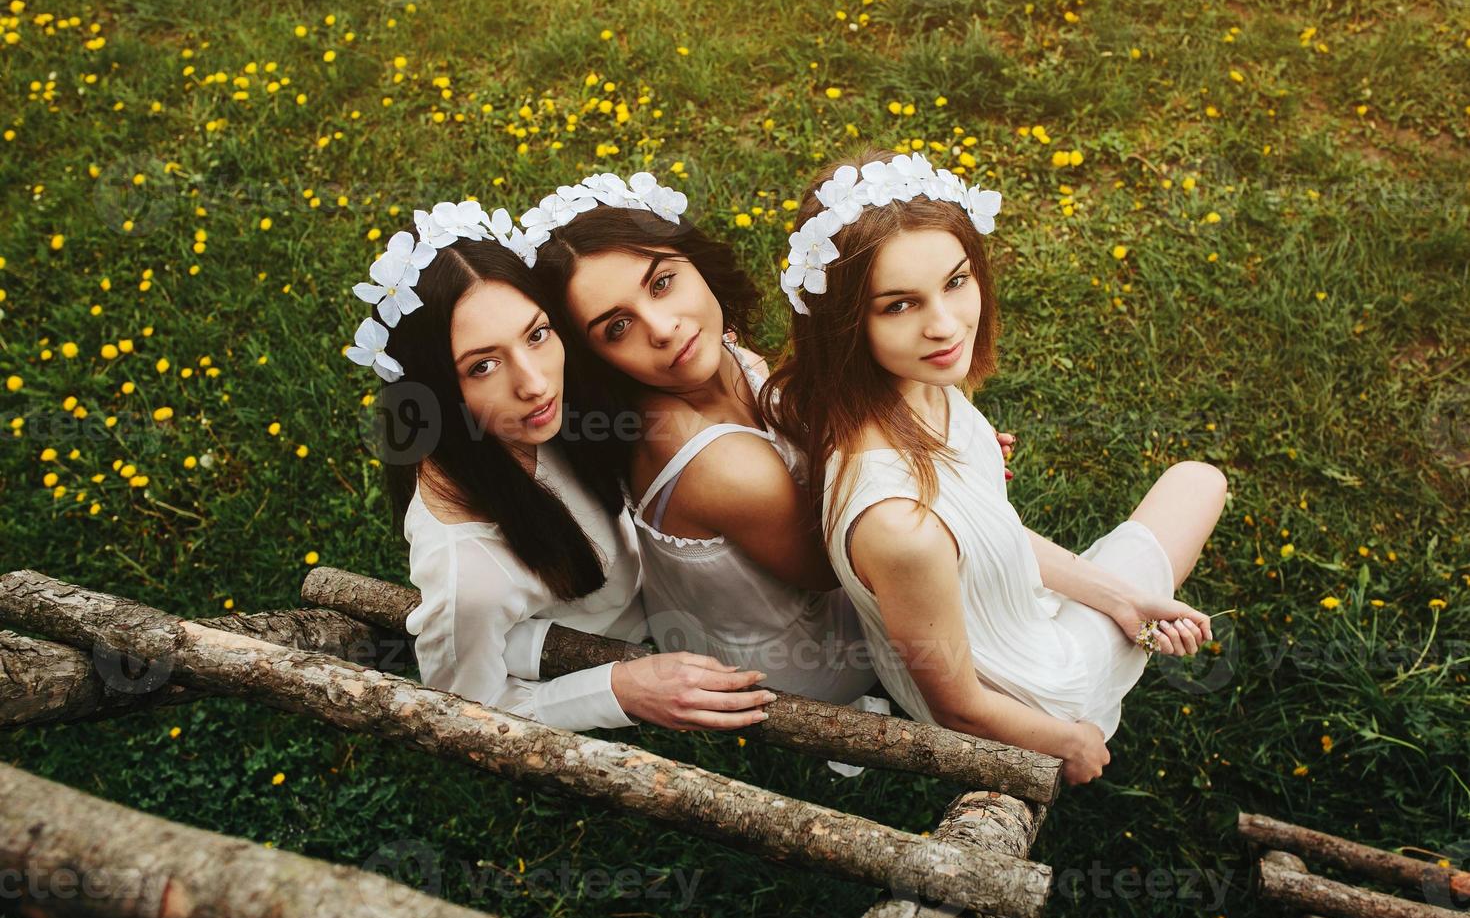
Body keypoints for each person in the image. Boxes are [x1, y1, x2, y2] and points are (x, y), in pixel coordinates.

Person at [761, 149, 1228, 785]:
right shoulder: (901, 528)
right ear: (845, 324)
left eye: (956, 281)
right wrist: (1072, 742)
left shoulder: (902, 387)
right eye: (899, 305)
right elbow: (960, 708)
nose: (946, 325)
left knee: (1183, 506)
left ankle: (1116, 607)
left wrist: (1122, 601)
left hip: (1018, 617)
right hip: (1032, 697)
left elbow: (988, 532)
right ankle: (1099, 670)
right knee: (1198, 483)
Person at [344, 199, 776, 733]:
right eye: (482, 366)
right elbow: (467, 709)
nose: (535, 383)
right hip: (617, 640)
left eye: (537, 334)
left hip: (672, 590)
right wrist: (620, 689)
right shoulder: (470, 577)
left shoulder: (554, 410)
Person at [521, 172, 879, 705]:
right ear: (593, 357)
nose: (662, 328)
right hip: (804, 659)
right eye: (616, 327)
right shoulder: (720, 464)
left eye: (661, 282)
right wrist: (919, 452)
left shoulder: (713, 358)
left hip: (708, 616)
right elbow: (840, 571)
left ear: (694, 261)